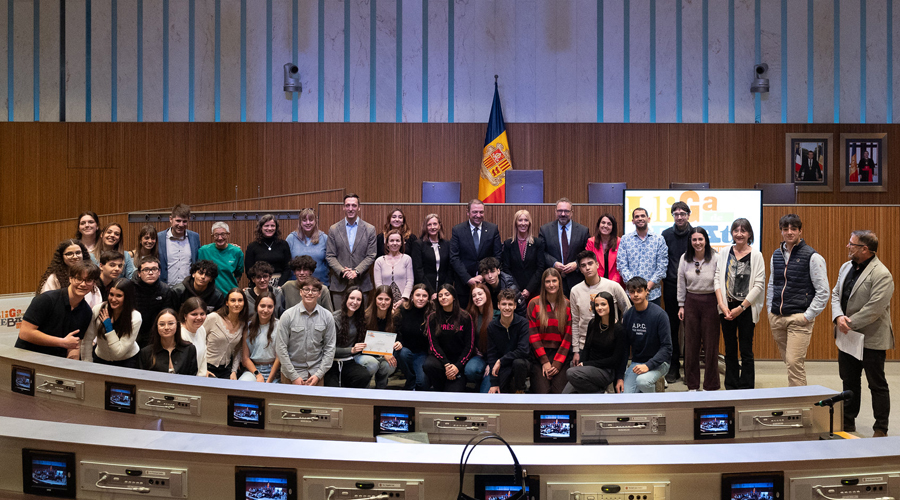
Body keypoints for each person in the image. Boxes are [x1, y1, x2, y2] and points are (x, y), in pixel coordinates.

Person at [831, 230, 893, 437]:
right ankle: (848, 422)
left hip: (871, 337)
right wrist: (838, 316)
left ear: (864, 249)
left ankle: (880, 427)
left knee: (876, 383)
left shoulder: (881, 273)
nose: (848, 247)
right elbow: (836, 294)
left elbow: (875, 308)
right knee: (849, 380)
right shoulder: (845, 267)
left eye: (852, 244)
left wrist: (848, 323)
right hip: (848, 336)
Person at [766, 214, 829, 387]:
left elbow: (823, 292)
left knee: (794, 363)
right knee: (791, 363)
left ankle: (800, 405)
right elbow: (772, 284)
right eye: (785, 229)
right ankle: (796, 399)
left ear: (800, 230)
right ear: (781, 232)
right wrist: (770, 312)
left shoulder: (813, 257)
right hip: (777, 318)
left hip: (799, 318)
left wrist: (807, 316)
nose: (789, 232)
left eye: (793, 229)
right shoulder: (776, 255)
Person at [714, 218, 766, 390]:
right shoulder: (724, 253)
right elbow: (717, 279)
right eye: (736, 230)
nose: (739, 234)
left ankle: (746, 387)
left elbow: (759, 285)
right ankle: (731, 385)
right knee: (729, 349)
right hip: (726, 308)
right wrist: (722, 304)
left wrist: (741, 307)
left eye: (743, 231)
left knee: (746, 350)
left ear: (749, 234)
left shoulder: (756, 255)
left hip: (746, 308)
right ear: (732, 233)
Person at [16, 260, 99, 359]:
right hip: (28, 359)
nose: (83, 284)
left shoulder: (86, 312)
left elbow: (74, 346)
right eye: (79, 279)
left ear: (94, 283)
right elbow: (25, 333)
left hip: (55, 363)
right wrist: (62, 342)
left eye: (88, 280)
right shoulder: (46, 299)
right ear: (70, 279)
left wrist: (72, 365)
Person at [677, 227, 720, 392]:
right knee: (691, 345)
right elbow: (681, 283)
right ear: (690, 241)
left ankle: (711, 385)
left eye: (700, 239)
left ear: (706, 240)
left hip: (711, 302)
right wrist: (681, 305)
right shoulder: (684, 258)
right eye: (694, 240)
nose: (697, 243)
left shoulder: (716, 257)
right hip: (691, 302)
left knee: (711, 346)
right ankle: (692, 385)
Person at [569, 250, 630, 366]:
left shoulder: (613, 286)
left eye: (590, 263)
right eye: (583, 265)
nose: (587, 268)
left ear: (597, 265)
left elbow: (628, 311)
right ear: (580, 269)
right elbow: (575, 322)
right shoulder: (575, 291)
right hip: (584, 345)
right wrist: (576, 350)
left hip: (609, 344)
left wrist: (619, 331)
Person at [275, 277, 336, 386]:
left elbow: (330, 348)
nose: (310, 293)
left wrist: (318, 374)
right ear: (301, 292)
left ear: (319, 294)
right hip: (290, 373)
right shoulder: (287, 315)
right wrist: (294, 376)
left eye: (314, 290)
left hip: (315, 374)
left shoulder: (328, 317)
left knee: (314, 403)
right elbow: (281, 348)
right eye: (306, 289)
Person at [563, 292, 627, 394]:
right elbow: (587, 348)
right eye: (596, 305)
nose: (599, 308)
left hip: (606, 371)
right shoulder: (592, 323)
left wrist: (586, 364)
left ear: (610, 305)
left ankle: (599, 392)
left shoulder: (619, 330)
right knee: (565, 396)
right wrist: (582, 365)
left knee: (571, 373)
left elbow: (616, 359)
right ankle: (598, 393)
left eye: (603, 304)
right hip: (588, 369)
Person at [326, 193, 377, 310]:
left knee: (360, 321)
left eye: (354, 205)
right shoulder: (334, 229)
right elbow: (330, 255)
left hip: (361, 282)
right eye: (347, 205)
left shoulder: (369, 229)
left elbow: (371, 255)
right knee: (339, 319)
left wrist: (356, 271)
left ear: (359, 207)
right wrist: (343, 271)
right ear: (343, 207)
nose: (350, 209)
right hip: (339, 283)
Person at [527, 268, 573, 394]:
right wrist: (545, 362)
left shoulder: (567, 304)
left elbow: (568, 336)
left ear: (559, 282)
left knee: (559, 394)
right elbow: (533, 336)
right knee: (542, 393)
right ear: (543, 284)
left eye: (554, 281)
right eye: (548, 281)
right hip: (539, 355)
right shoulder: (534, 303)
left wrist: (557, 364)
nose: (551, 284)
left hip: (561, 355)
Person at [622, 277, 672, 393]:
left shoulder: (660, 315)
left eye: (639, 291)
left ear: (646, 291)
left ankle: (655, 406)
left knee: (643, 381)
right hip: (637, 363)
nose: (636, 295)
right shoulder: (628, 316)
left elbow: (667, 348)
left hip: (660, 363)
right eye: (632, 292)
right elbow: (624, 347)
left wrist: (648, 365)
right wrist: (620, 375)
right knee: (625, 397)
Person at [449, 199, 502, 308]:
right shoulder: (457, 230)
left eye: (481, 212)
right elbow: (454, 257)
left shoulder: (492, 229)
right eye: (475, 212)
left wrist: (484, 276)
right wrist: (468, 279)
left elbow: (497, 256)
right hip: (464, 285)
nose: (478, 215)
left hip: (487, 284)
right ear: (468, 212)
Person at [661, 201, 692, 383]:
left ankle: (689, 368)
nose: (679, 217)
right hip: (671, 285)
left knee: (691, 329)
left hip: (692, 287)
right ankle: (673, 367)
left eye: (683, 213)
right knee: (672, 328)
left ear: (689, 215)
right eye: (676, 214)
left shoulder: (696, 233)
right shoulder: (665, 235)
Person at [423, 284, 475, 392]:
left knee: (453, 393)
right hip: (441, 361)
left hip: (458, 361)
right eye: (440, 295)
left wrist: (457, 366)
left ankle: (452, 379)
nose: (443, 298)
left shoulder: (465, 317)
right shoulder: (432, 317)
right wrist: (446, 364)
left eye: (447, 294)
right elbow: (433, 344)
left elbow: (469, 345)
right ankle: (440, 383)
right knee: (428, 365)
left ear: (454, 297)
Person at [80, 278, 142, 367]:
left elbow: (119, 352)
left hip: (126, 361)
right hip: (101, 358)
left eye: (119, 296)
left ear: (127, 297)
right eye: (111, 294)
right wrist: (87, 364)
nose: (113, 299)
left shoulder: (135, 317)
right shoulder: (98, 309)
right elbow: (88, 339)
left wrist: (108, 326)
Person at [617, 207, 668, 306]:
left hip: (652, 294)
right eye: (637, 216)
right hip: (632, 294)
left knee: (653, 321)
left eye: (642, 216)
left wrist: (646, 288)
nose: (640, 218)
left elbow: (662, 267)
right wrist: (636, 288)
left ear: (648, 219)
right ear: (633, 221)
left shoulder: (659, 239)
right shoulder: (625, 239)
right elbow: (622, 265)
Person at [539, 198, 590, 296]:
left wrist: (577, 264)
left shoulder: (583, 231)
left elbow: (587, 252)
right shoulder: (545, 230)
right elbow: (541, 252)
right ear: (555, 211)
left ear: (571, 212)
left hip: (576, 280)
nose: (563, 214)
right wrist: (553, 263)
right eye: (560, 211)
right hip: (553, 280)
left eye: (566, 211)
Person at [324, 287, 372, 388]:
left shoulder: (360, 319)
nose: (355, 302)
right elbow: (328, 349)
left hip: (349, 361)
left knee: (364, 376)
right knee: (332, 390)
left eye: (358, 299)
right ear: (346, 299)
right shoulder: (334, 318)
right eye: (352, 298)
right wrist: (352, 350)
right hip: (331, 363)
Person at [485, 289, 531, 394]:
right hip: (503, 367)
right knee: (498, 393)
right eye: (504, 304)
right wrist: (494, 383)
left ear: (515, 306)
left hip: (521, 364)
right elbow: (492, 355)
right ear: (498, 305)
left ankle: (520, 391)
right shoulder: (492, 327)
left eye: (510, 304)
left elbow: (523, 350)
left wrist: (501, 360)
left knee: (518, 363)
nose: (507, 308)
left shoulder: (523, 323)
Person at [355, 286, 401, 389]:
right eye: (380, 299)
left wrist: (398, 343)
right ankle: (364, 389)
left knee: (389, 366)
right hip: (363, 354)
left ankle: (381, 388)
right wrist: (383, 353)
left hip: (384, 356)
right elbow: (360, 343)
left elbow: (399, 337)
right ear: (375, 299)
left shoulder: (395, 317)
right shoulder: (365, 316)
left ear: (391, 301)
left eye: (387, 299)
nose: (383, 302)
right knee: (373, 364)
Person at [37, 239, 102, 308]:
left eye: (78, 253)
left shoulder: (91, 275)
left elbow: (96, 305)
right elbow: (45, 303)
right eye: (69, 254)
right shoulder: (54, 278)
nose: (75, 256)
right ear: (62, 257)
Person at [395, 284, 434, 390]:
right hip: (405, 350)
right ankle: (410, 378)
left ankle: (415, 380)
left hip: (422, 353)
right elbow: (396, 329)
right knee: (402, 353)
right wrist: (399, 341)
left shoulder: (432, 313)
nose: (421, 299)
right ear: (412, 296)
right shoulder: (403, 309)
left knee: (422, 384)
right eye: (418, 295)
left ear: (428, 298)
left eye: (424, 296)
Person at [501, 209, 545, 302]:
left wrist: (529, 289)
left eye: (526, 220)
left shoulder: (538, 243)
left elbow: (540, 268)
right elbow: (506, 268)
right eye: (520, 220)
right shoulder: (508, 244)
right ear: (515, 223)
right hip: (514, 291)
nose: (523, 223)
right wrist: (516, 289)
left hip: (534, 290)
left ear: (530, 223)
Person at [203, 288, 248, 379]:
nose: (236, 304)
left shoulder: (243, 324)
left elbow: (238, 350)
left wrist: (234, 371)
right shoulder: (213, 318)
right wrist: (201, 368)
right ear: (227, 303)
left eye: (240, 300)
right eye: (233, 300)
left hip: (226, 369)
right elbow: (198, 341)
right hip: (207, 367)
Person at [132, 256, 175, 349]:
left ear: (159, 272)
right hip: (133, 331)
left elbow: (166, 314)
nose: (150, 273)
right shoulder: (130, 288)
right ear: (139, 273)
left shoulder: (165, 290)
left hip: (155, 333)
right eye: (146, 270)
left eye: (154, 269)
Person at [238, 291, 282, 383]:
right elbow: (245, 358)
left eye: (270, 307)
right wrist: (258, 375)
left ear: (274, 308)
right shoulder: (248, 327)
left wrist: (269, 380)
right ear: (256, 306)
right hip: (253, 370)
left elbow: (279, 358)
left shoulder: (279, 326)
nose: (265, 310)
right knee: (242, 384)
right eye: (262, 306)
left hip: (274, 371)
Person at [138, 309, 199, 375]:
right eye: (162, 324)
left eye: (170, 323)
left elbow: (192, 378)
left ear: (177, 325)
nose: (166, 327)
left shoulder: (189, 349)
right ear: (157, 327)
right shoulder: (146, 353)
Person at [464, 283, 497, 393]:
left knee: (485, 395)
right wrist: (473, 349)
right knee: (470, 370)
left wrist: (492, 364)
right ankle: (480, 380)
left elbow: (502, 344)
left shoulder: (497, 315)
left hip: (494, 358)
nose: (477, 297)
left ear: (486, 294)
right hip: (479, 356)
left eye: (480, 294)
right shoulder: (469, 315)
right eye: (474, 295)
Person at [157, 204, 201, 286]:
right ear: (170, 219)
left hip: (188, 289)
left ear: (189, 220)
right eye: (178, 221)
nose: (181, 225)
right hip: (165, 288)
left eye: (184, 221)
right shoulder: (159, 237)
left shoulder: (194, 237)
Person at [411, 213, 452, 298]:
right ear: (425, 227)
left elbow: (450, 269)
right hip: (425, 290)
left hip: (444, 290)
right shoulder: (418, 244)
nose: (432, 227)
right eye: (429, 225)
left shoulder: (447, 244)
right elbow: (418, 270)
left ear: (439, 226)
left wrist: (444, 290)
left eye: (435, 224)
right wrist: (431, 292)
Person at [285, 208, 330, 286]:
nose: (308, 223)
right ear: (300, 222)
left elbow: (329, 261)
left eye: (311, 220)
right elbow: (286, 263)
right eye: (304, 220)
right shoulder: (291, 238)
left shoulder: (324, 238)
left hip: (320, 284)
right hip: (297, 285)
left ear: (315, 221)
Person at [245, 214, 292, 287]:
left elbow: (288, 267)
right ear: (260, 228)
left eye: (272, 226)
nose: (270, 228)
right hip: (259, 284)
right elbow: (249, 270)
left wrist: (280, 285)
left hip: (280, 284)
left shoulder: (283, 244)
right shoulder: (252, 246)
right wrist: (261, 283)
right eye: (266, 226)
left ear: (276, 228)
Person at [198, 222, 245, 295]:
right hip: (209, 295)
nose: (220, 238)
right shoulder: (203, 251)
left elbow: (238, 275)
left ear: (228, 235)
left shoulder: (237, 252)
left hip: (229, 294)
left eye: (223, 234)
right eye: (216, 235)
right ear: (212, 236)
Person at [373, 229, 414, 309]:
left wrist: (403, 300)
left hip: (404, 303)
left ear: (402, 243)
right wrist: (385, 300)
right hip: (384, 303)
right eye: (391, 241)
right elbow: (378, 284)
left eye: (397, 241)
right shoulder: (379, 261)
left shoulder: (407, 259)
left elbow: (410, 281)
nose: (395, 243)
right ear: (387, 243)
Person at [585, 213, 623, 287]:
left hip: (615, 284)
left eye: (609, 224)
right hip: (596, 283)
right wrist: (599, 283)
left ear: (613, 227)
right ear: (599, 225)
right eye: (603, 223)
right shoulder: (591, 242)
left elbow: (620, 267)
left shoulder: (620, 242)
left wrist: (611, 284)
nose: (605, 226)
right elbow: (589, 264)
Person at [179, 297, 209, 377]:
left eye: (202, 314)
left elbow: (203, 357)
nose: (199, 318)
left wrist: (204, 374)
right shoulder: (179, 334)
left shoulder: (201, 329)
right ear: (185, 316)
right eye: (194, 314)